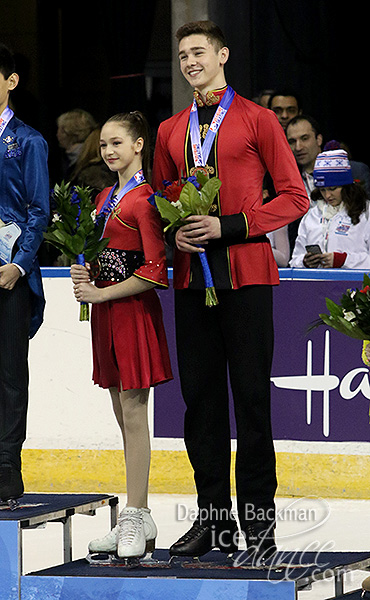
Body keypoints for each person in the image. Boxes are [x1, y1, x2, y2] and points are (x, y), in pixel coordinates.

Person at [152, 20, 309, 559]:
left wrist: (232, 226)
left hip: (247, 277)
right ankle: (214, 523)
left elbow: (295, 197)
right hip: (193, 279)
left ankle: (260, 532)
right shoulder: (171, 129)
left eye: (198, 51)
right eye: (182, 55)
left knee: (251, 402)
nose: (189, 61)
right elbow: (160, 197)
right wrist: (178, 230)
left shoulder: (258, 119)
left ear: (222, 54)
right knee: (200, 405)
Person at [70, 111, 173, 559]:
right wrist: (87, 272)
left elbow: (155, 271)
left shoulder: (145, 199)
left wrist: (102, 291)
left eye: (118, 143)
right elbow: (105, 254)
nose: (109, 151)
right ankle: (139, 514)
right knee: (122, 414)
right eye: (104, 144)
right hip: (109, 313)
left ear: (138, 146)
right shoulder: (105, 197)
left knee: (134, 415)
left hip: (132, 312)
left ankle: (134, 514)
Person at [0, 43, 49, 506]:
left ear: (10, 81)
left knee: (10, 375)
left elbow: (39, 210)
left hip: (9, 275)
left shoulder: (28, 141)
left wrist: (19, 264)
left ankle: (6, 469)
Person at [290, 149, 370, 269]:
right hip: (319, 286)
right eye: (322, 190)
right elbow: (294, 261)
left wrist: (343, 261)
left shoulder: (365, 212)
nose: (327, 195)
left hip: (355, 286)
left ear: (346, 186)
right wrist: (305, 262)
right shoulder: (312, 216)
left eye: (333, 189)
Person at [286, 114, 323, 254]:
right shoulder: (285, 183)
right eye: (292, 141)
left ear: (318, 139)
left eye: (304, 138)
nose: (298, 147)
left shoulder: (352, 172)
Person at [56, 108, 97, 181]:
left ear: (68, 132)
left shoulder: (89, 165)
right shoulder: (70, 159)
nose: (57, 134)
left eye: (59, 129)